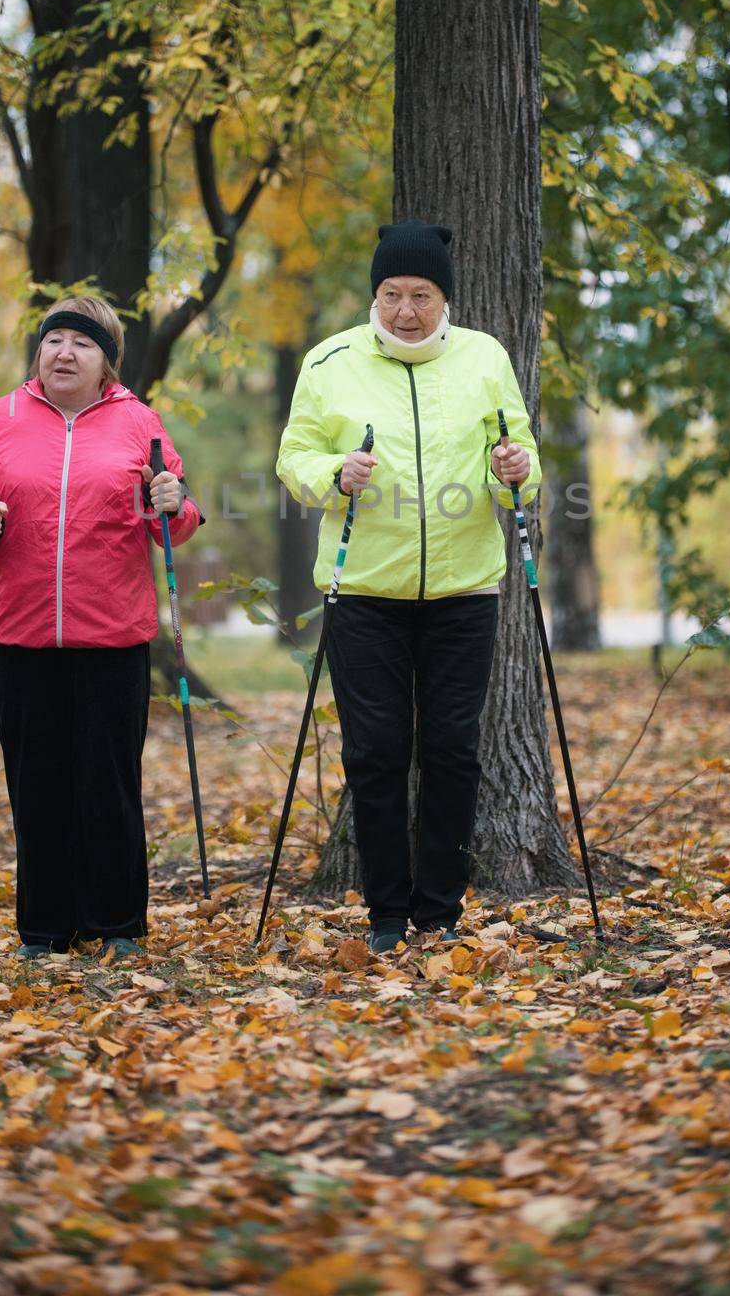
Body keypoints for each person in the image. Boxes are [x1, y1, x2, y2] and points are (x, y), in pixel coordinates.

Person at [277, 220, 541, 953]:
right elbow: (294, 458)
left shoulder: (484, 357)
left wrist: (515, 471)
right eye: (391, 294)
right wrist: (334, 475)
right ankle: (387, 913)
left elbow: (514, 457)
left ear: (444, 299)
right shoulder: (329, 362)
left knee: (453, 751)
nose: (405, 311)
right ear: (375, 296)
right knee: (376, 753)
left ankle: (440, 909)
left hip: (463, 594)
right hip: (364, 591)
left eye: (420, 295)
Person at [0, 296, 202, 959]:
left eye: (81, 344)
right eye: (54, 339)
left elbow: (169, 517)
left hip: (113, 635)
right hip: (20, 635)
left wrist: (173, 504)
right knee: (36, 785)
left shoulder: (137, 421)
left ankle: (116, 926)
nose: (64, 352)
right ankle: (44, 930)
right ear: (38, 352)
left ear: (105, 361)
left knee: (108, 784)